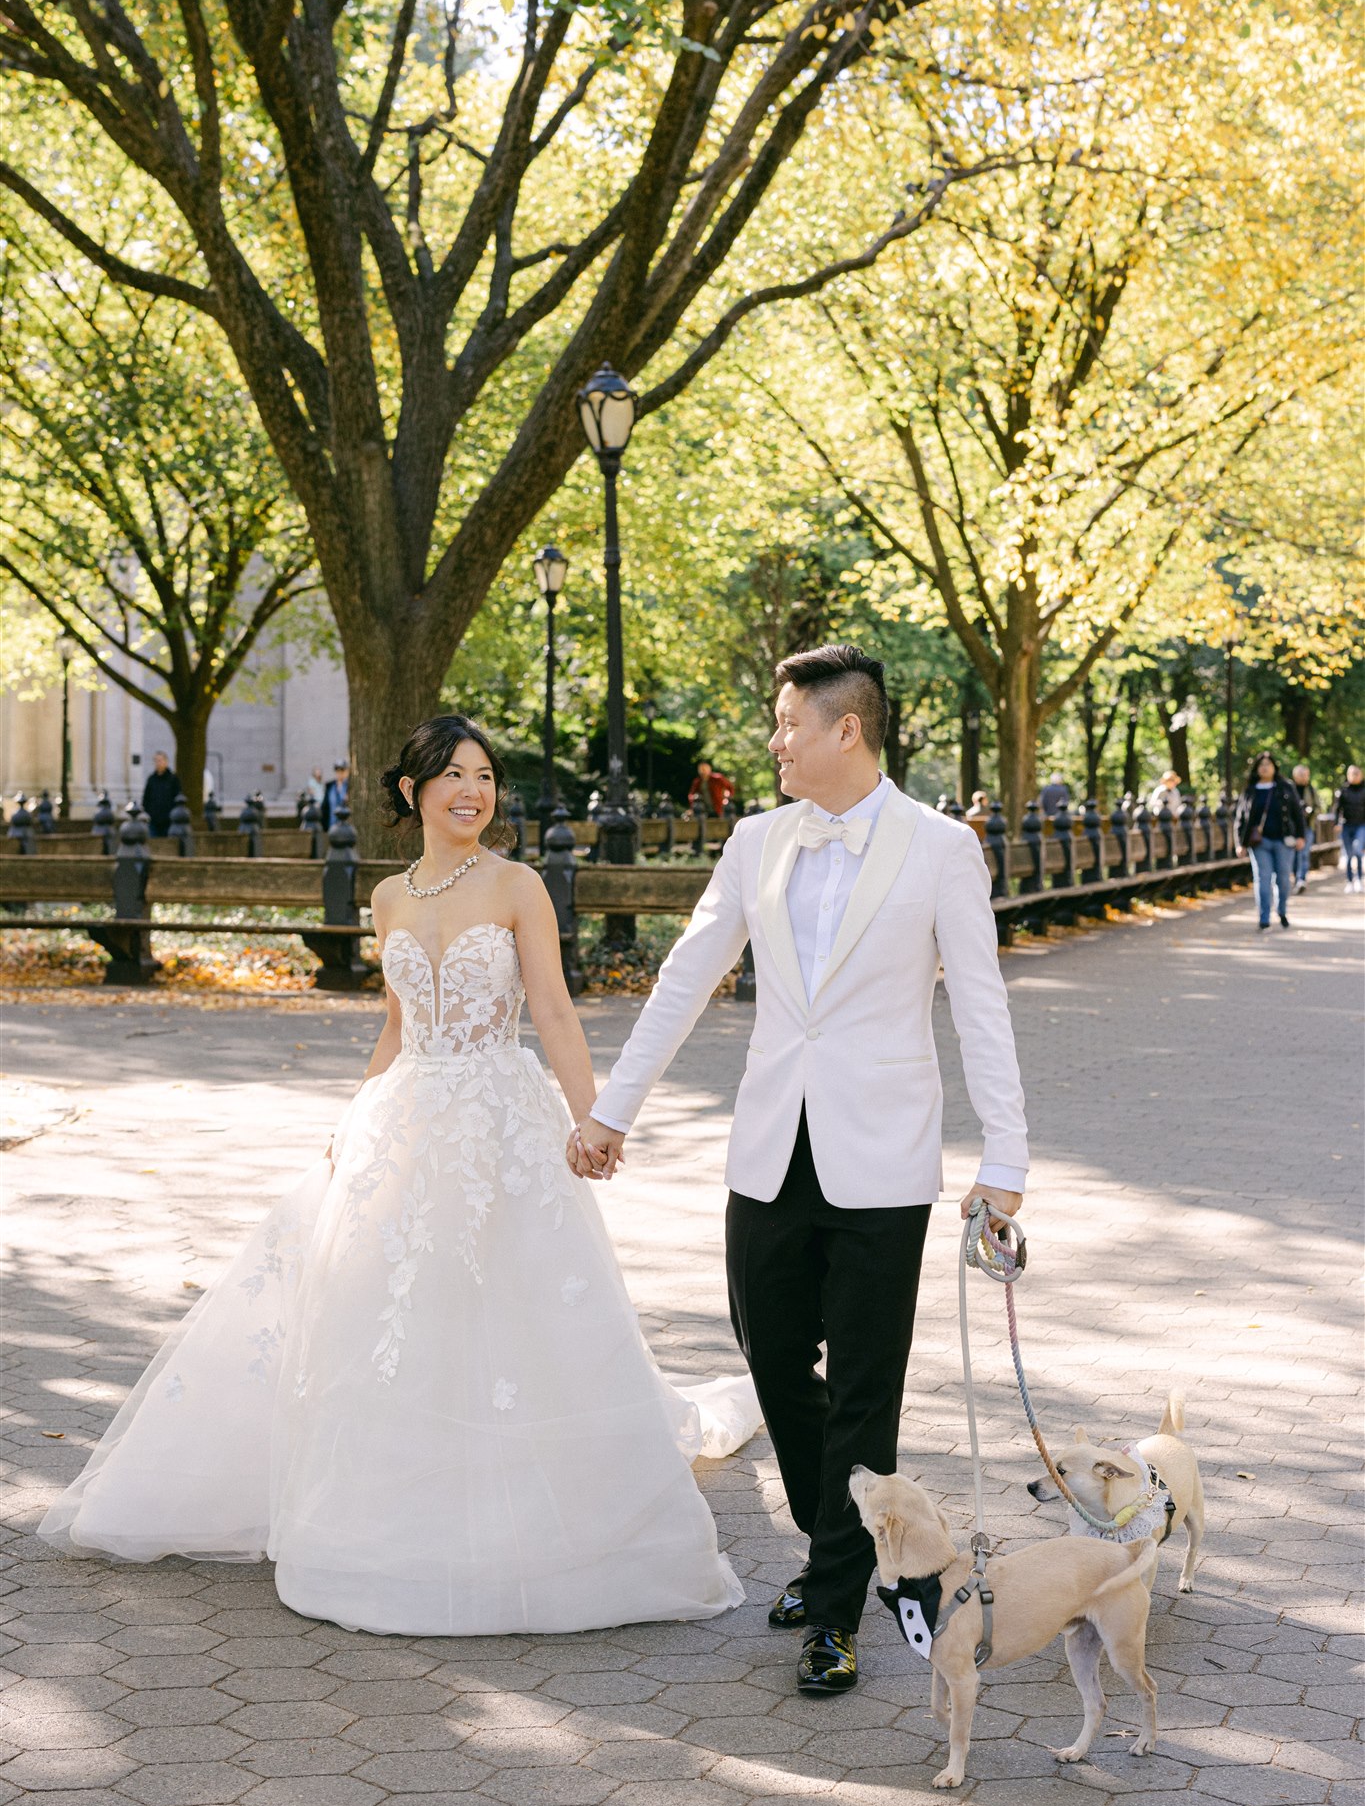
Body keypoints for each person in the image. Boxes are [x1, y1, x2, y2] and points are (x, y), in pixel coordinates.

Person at [38, 713, 760, 1635]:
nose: (474, 791)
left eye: (486, 776)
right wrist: (355, 1115)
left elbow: (554, 1012)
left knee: (512, 1300)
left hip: (499, 1114)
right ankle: (394, 1496)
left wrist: (594, 1119)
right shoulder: (387, 896)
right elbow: (394, 1024)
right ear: (413, 792)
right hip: (408, 1116)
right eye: (454, 775)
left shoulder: (517, 885)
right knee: (384, 1309)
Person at [576, 645, 1027, 1698]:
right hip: (770, 1148)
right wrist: (612, 1107)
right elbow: (689, 972)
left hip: (886, 1158)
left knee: (866, 1386)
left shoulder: (939, 848)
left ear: (846, 730)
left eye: (787, 724)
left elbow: (982, 1007)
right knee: (772, 1354)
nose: (773, 741)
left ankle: (831, 1609)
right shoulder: (754, 841)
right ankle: (847, 1539)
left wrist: (1003, 1159)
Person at [1233, 750, 1307, 930]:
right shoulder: (1250, 790)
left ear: (1274, 768)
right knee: (1262, 878)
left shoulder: (1285, 787)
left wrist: (1301, 836)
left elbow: (1297, 813)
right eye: (1261, 765)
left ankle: (1281, 911)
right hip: (1259, 843)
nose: (1265, 768)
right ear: (1257, 769)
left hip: (1283, 841)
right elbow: (1240, 818)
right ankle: (1264, 917)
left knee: (1282, 878)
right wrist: (1239, 843)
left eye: (1268, 765)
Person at [1334, 765, 1365, 892]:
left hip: (1361, 825)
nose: (1354, 776)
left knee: (1357, 851)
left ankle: (1359, 879)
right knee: (1348, 854)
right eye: (1351, 773)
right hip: (1347, 825)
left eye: (1356, 773)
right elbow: (1337, 808)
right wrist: (1336, 823)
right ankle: (1349, 881)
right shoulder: (1343, 790)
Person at [1290, 764, 1319, 893]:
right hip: (1291, 829)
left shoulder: (1311, 790)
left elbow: (1318, 807)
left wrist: (1311, 812)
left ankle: (1301, 880)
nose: (1304, 777)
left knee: (1303, 854)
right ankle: (1296, 878)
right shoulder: (1289, 789)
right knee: (1293, 856)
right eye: (1301, 774)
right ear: (1295, 775)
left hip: (1307, 827)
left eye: (1306, 774)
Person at [140, 750, 182, 837]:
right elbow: (146, 798)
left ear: (166, 762)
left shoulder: (173, 779)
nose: (158, 763)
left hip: (169, 820)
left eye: (160, 760)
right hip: (154, 820)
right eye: (156, 761)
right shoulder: (151, 779)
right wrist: (150, 812)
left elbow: (177, 797)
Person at [320, 759, 349, 830]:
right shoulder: (330, 786)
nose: (339, 773)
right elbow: (325, 806)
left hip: (346, 828)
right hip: (331, 826)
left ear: (347, 771)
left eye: (342, 770)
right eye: (337, 770)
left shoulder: (350, 786)